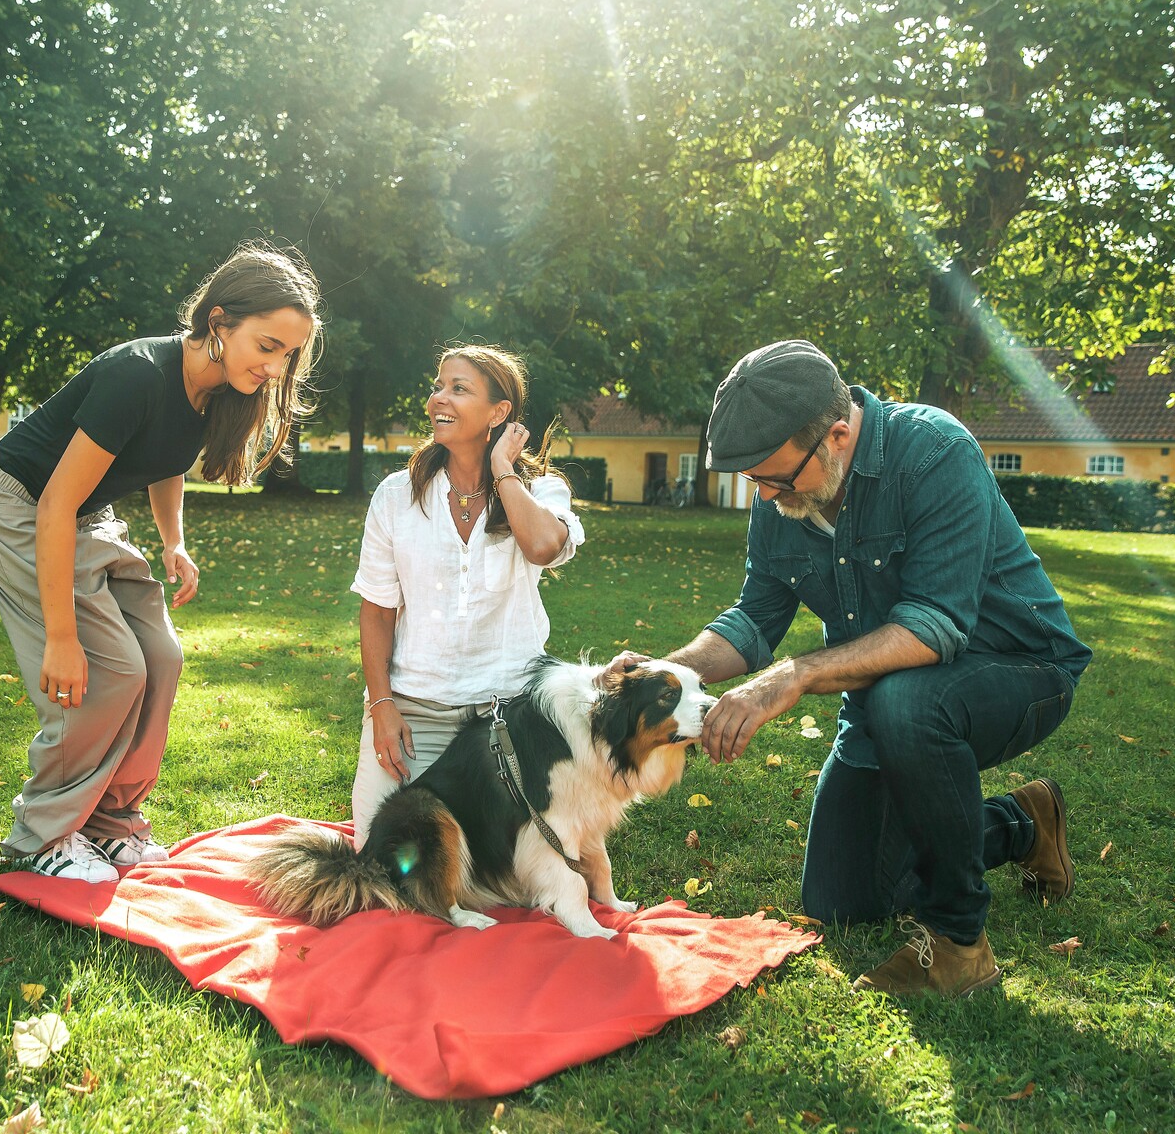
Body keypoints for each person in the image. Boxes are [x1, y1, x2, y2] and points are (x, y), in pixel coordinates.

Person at [653, 340, 1091, 996]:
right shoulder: (782, 492)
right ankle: (1023, 824)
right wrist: (664, 672)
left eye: (776, 478)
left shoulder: (936, 452)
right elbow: (754, 622)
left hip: (1017, 669)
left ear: (836, 435)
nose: (766, 496)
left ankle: (959, 947)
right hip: (885, 695)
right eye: (754, 480)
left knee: (908, 703)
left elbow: (934, 628)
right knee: (842, 903)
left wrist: (794, 676)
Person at [0, 244, 322, 882]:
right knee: (110, 671)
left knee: (160, 656)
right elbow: (52, 506)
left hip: (80, 514)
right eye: (267, 345)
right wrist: (62, 638)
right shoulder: (138, 374)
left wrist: (172, 541)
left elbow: (167, 461)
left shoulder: (215, 392)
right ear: (218, 322)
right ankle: (42, 837)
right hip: (19, 506)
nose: (275, 366)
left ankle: (108, 822)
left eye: (286, 354)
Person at [349, 346, 586, 846]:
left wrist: (503, 468)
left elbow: (544, 546)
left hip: (509, 715)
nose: (440, 398)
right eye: (439, 386)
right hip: (416, 710)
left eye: (459, 389)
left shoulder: (541, 491)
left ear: (498, 414)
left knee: (518, 872)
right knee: (383, 856)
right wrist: (382, 706)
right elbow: (376, 611)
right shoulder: (396, 495)